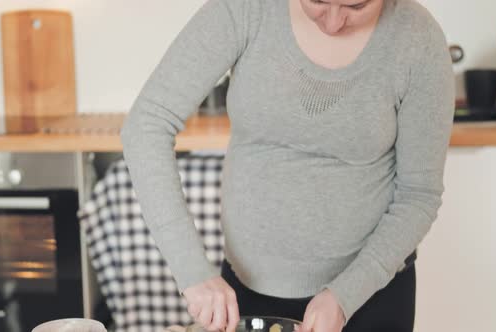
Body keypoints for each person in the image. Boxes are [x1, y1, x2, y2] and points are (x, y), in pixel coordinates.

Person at [120, 0, 455, 331]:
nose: (334, 22)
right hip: (247, 297)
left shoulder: (417, 37)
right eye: (318, 1)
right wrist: (192, 272)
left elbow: (418, 194)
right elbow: (147, 125)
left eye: (357, 5)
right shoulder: (246, 9)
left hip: (370, 296)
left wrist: (344, 296)